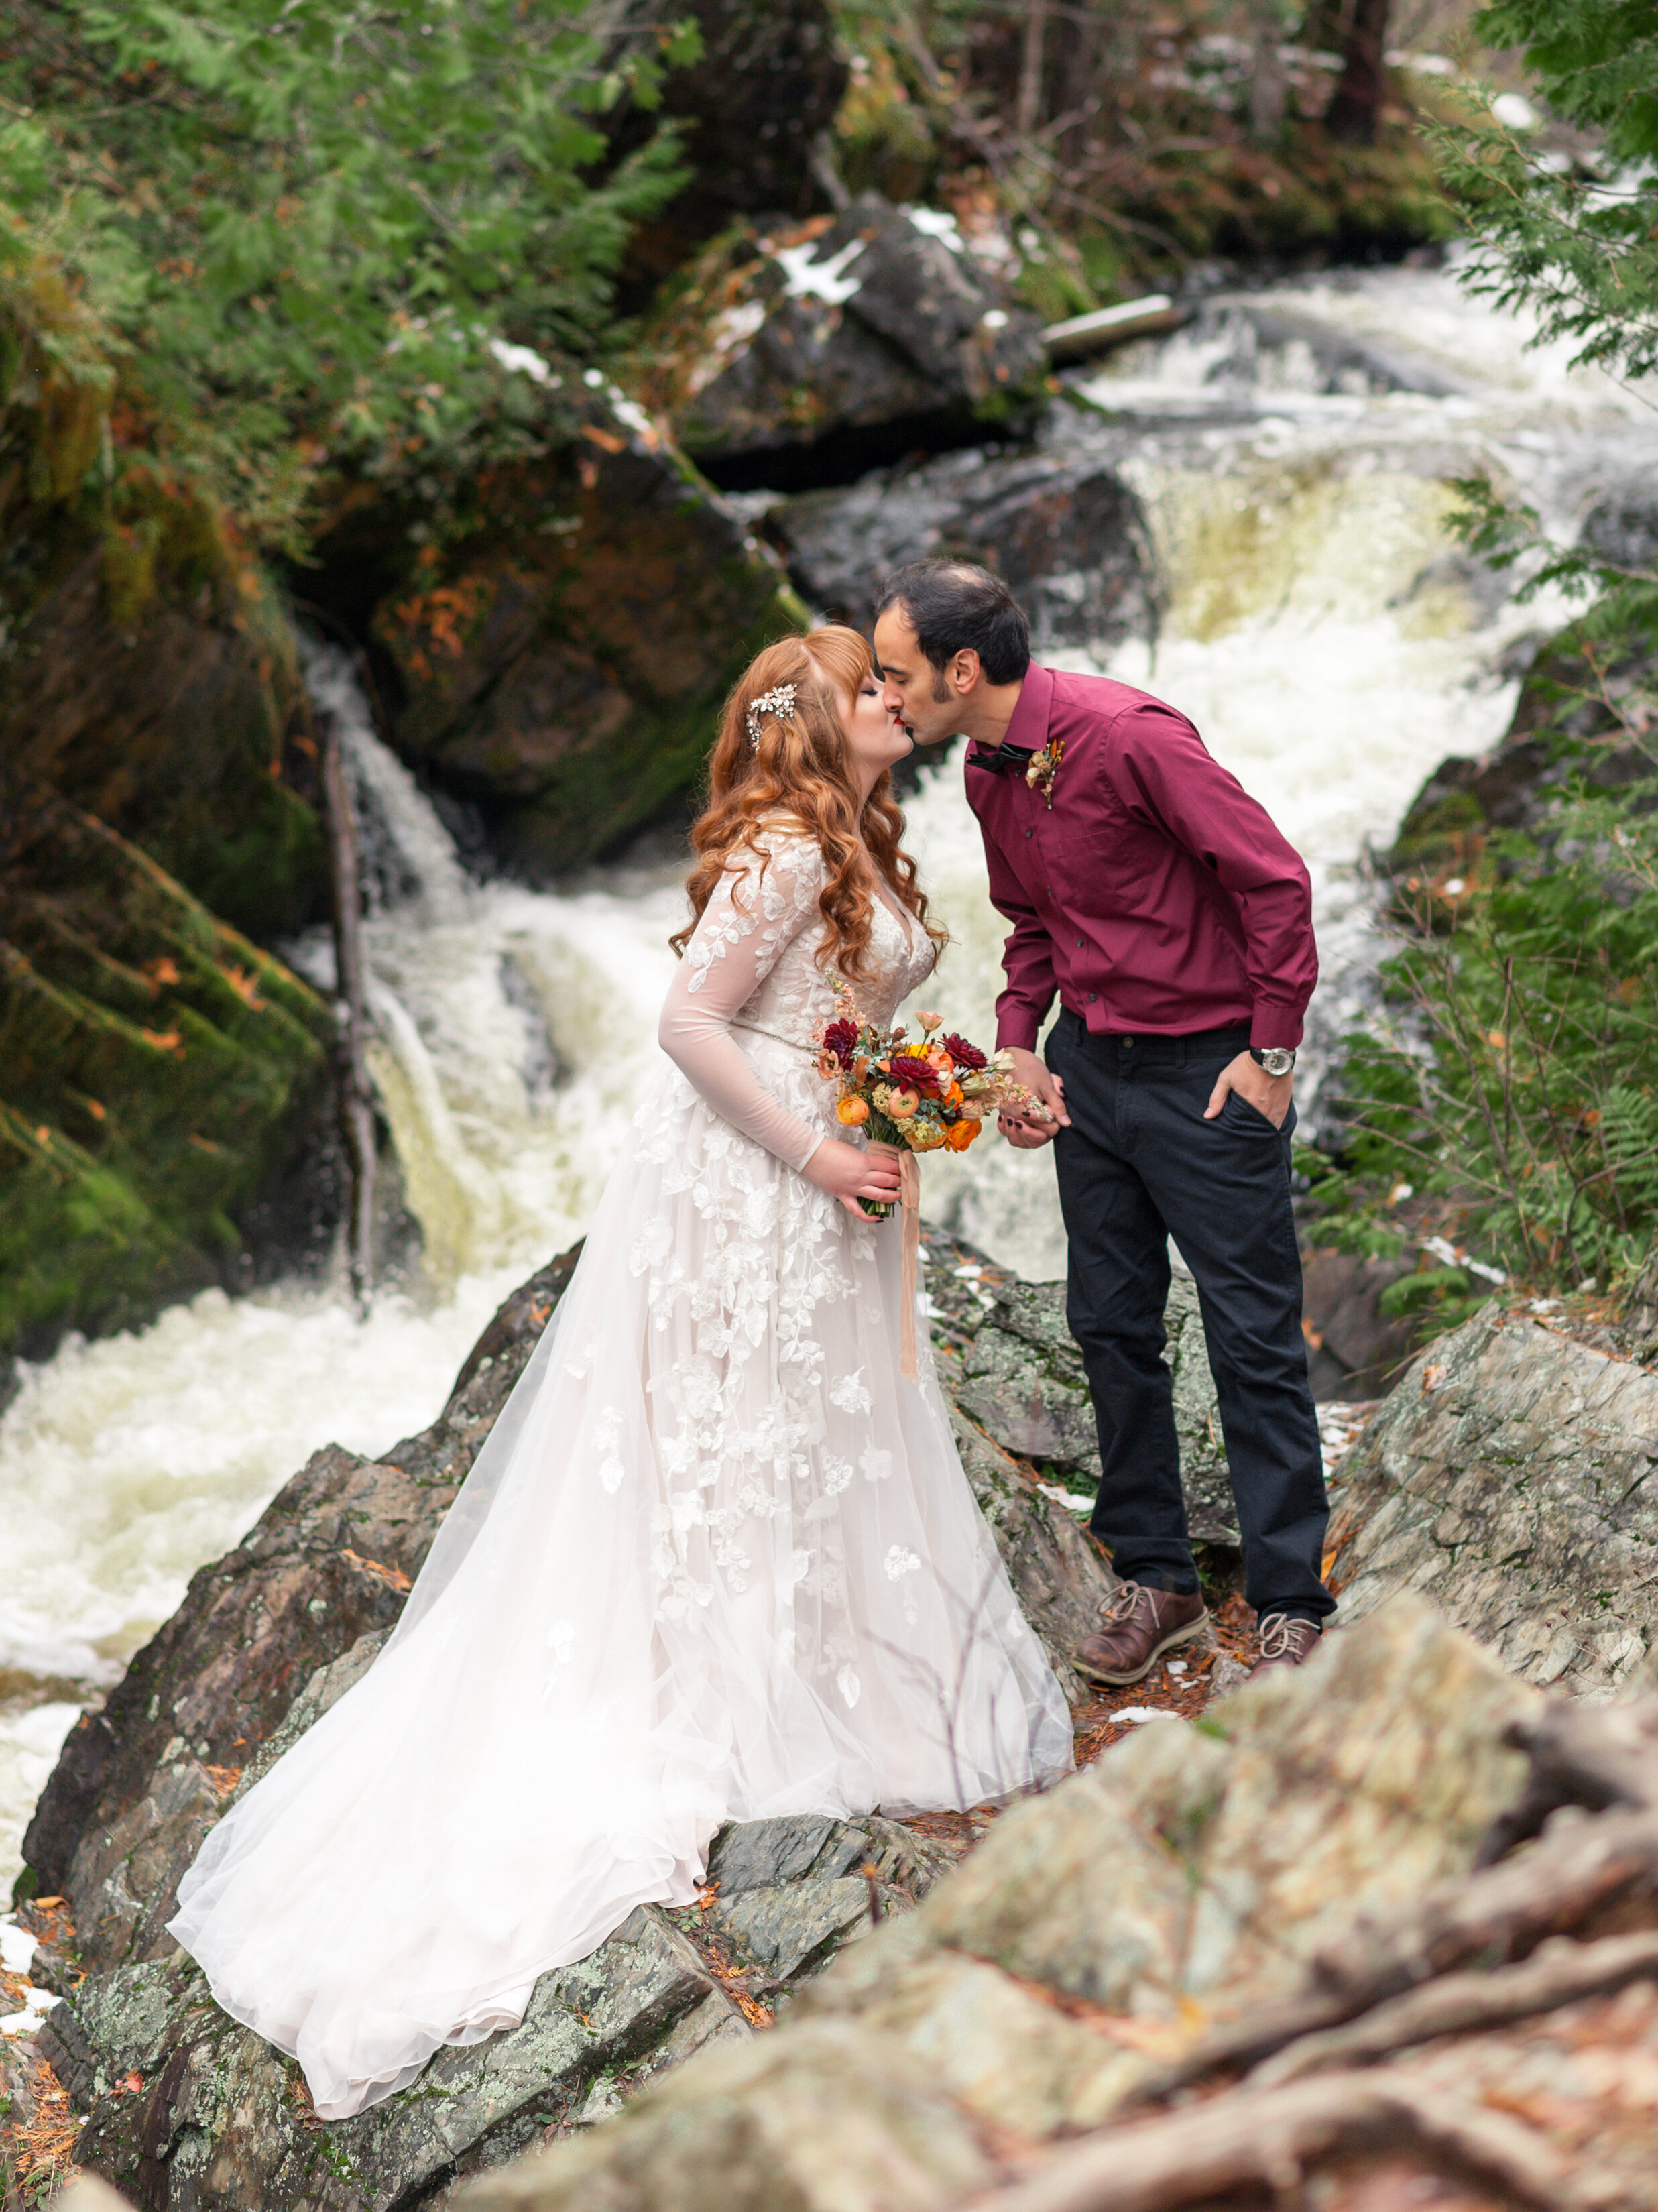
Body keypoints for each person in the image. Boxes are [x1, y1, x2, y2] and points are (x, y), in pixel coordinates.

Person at [168, 625, 1071, 2121]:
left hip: (825, 1166)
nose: (896, 701)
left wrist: (959, 1093)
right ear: (814, 716)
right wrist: (818, 1148)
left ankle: (817, 1661)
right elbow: (689, 1022)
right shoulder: (785, 846)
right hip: (753, 1180)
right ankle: (737, 1688)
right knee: (739, 1440)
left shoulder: (849, 836)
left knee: (807, 1440)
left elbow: (844, 1030)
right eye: (873, 685)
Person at [874, 561, 1334, 1690]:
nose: (887, 696)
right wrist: (1021, 1040)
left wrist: (1271, 1054)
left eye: (898, 674)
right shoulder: (987, 768)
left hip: (1208, 1074)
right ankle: (1160, 1577)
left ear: (963, 668)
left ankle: (1288, 1601)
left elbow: (1275, 882)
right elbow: (1031, 925)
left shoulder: (1131, 737)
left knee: (1252, 1338)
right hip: (1090, 1070)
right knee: (1110, 1322)